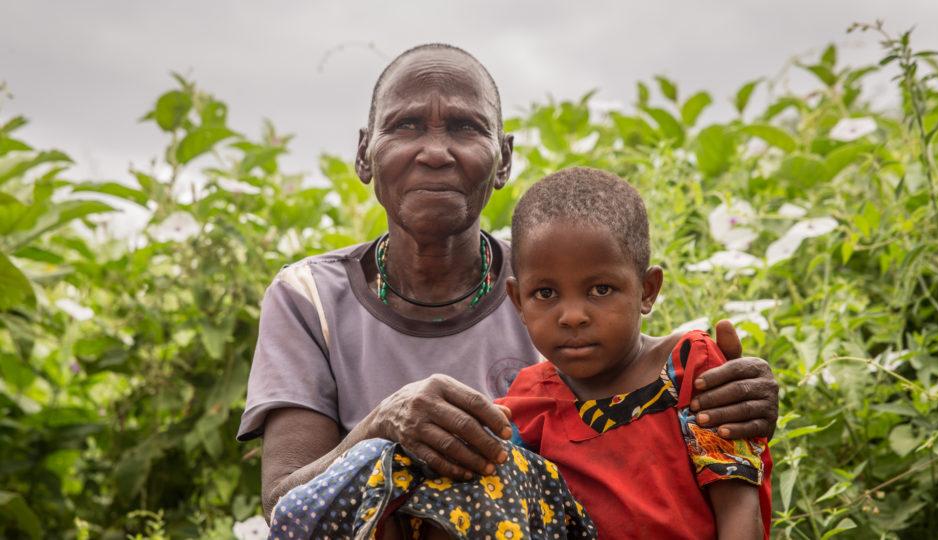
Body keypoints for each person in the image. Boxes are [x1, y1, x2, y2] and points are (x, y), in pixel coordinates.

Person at [238, 43, 780, 520]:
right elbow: (286, 509)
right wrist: (382, 424)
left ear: (503, 160)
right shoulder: (308, 298)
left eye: (465, 127)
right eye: (405, 125)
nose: (434, 151)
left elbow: (655, 403)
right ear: (364, 154)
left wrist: (729, 398)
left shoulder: (553, 282)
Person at [497, 167, 772, 538]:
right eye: (545, 293)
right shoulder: (530, 401)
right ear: (518, 301)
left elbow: (740, 508)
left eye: (601, 289)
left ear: (647, 290)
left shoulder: (689, 368)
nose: (573, 316)